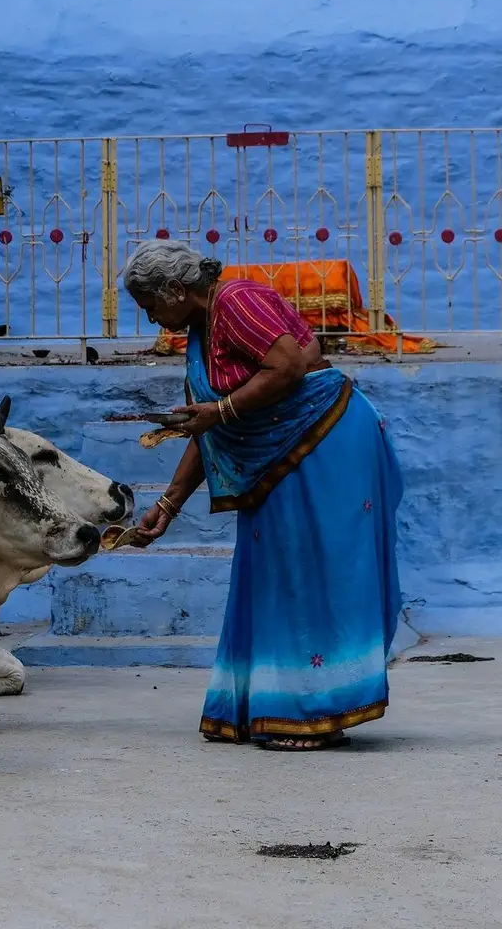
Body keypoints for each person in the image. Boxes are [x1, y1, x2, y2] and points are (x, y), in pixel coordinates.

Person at [123, 239, 404, 750]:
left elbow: (289, 367)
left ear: (177, 289)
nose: (149, 319)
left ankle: (321, 712)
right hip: (273, 453)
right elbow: (208, 429)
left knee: (313, 571)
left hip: (323, 437)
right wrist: (166, 507)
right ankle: (269, 701)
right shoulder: (198, 331)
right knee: (272, 571)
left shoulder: (236, 301)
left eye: (150, 306)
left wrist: (221, 413)